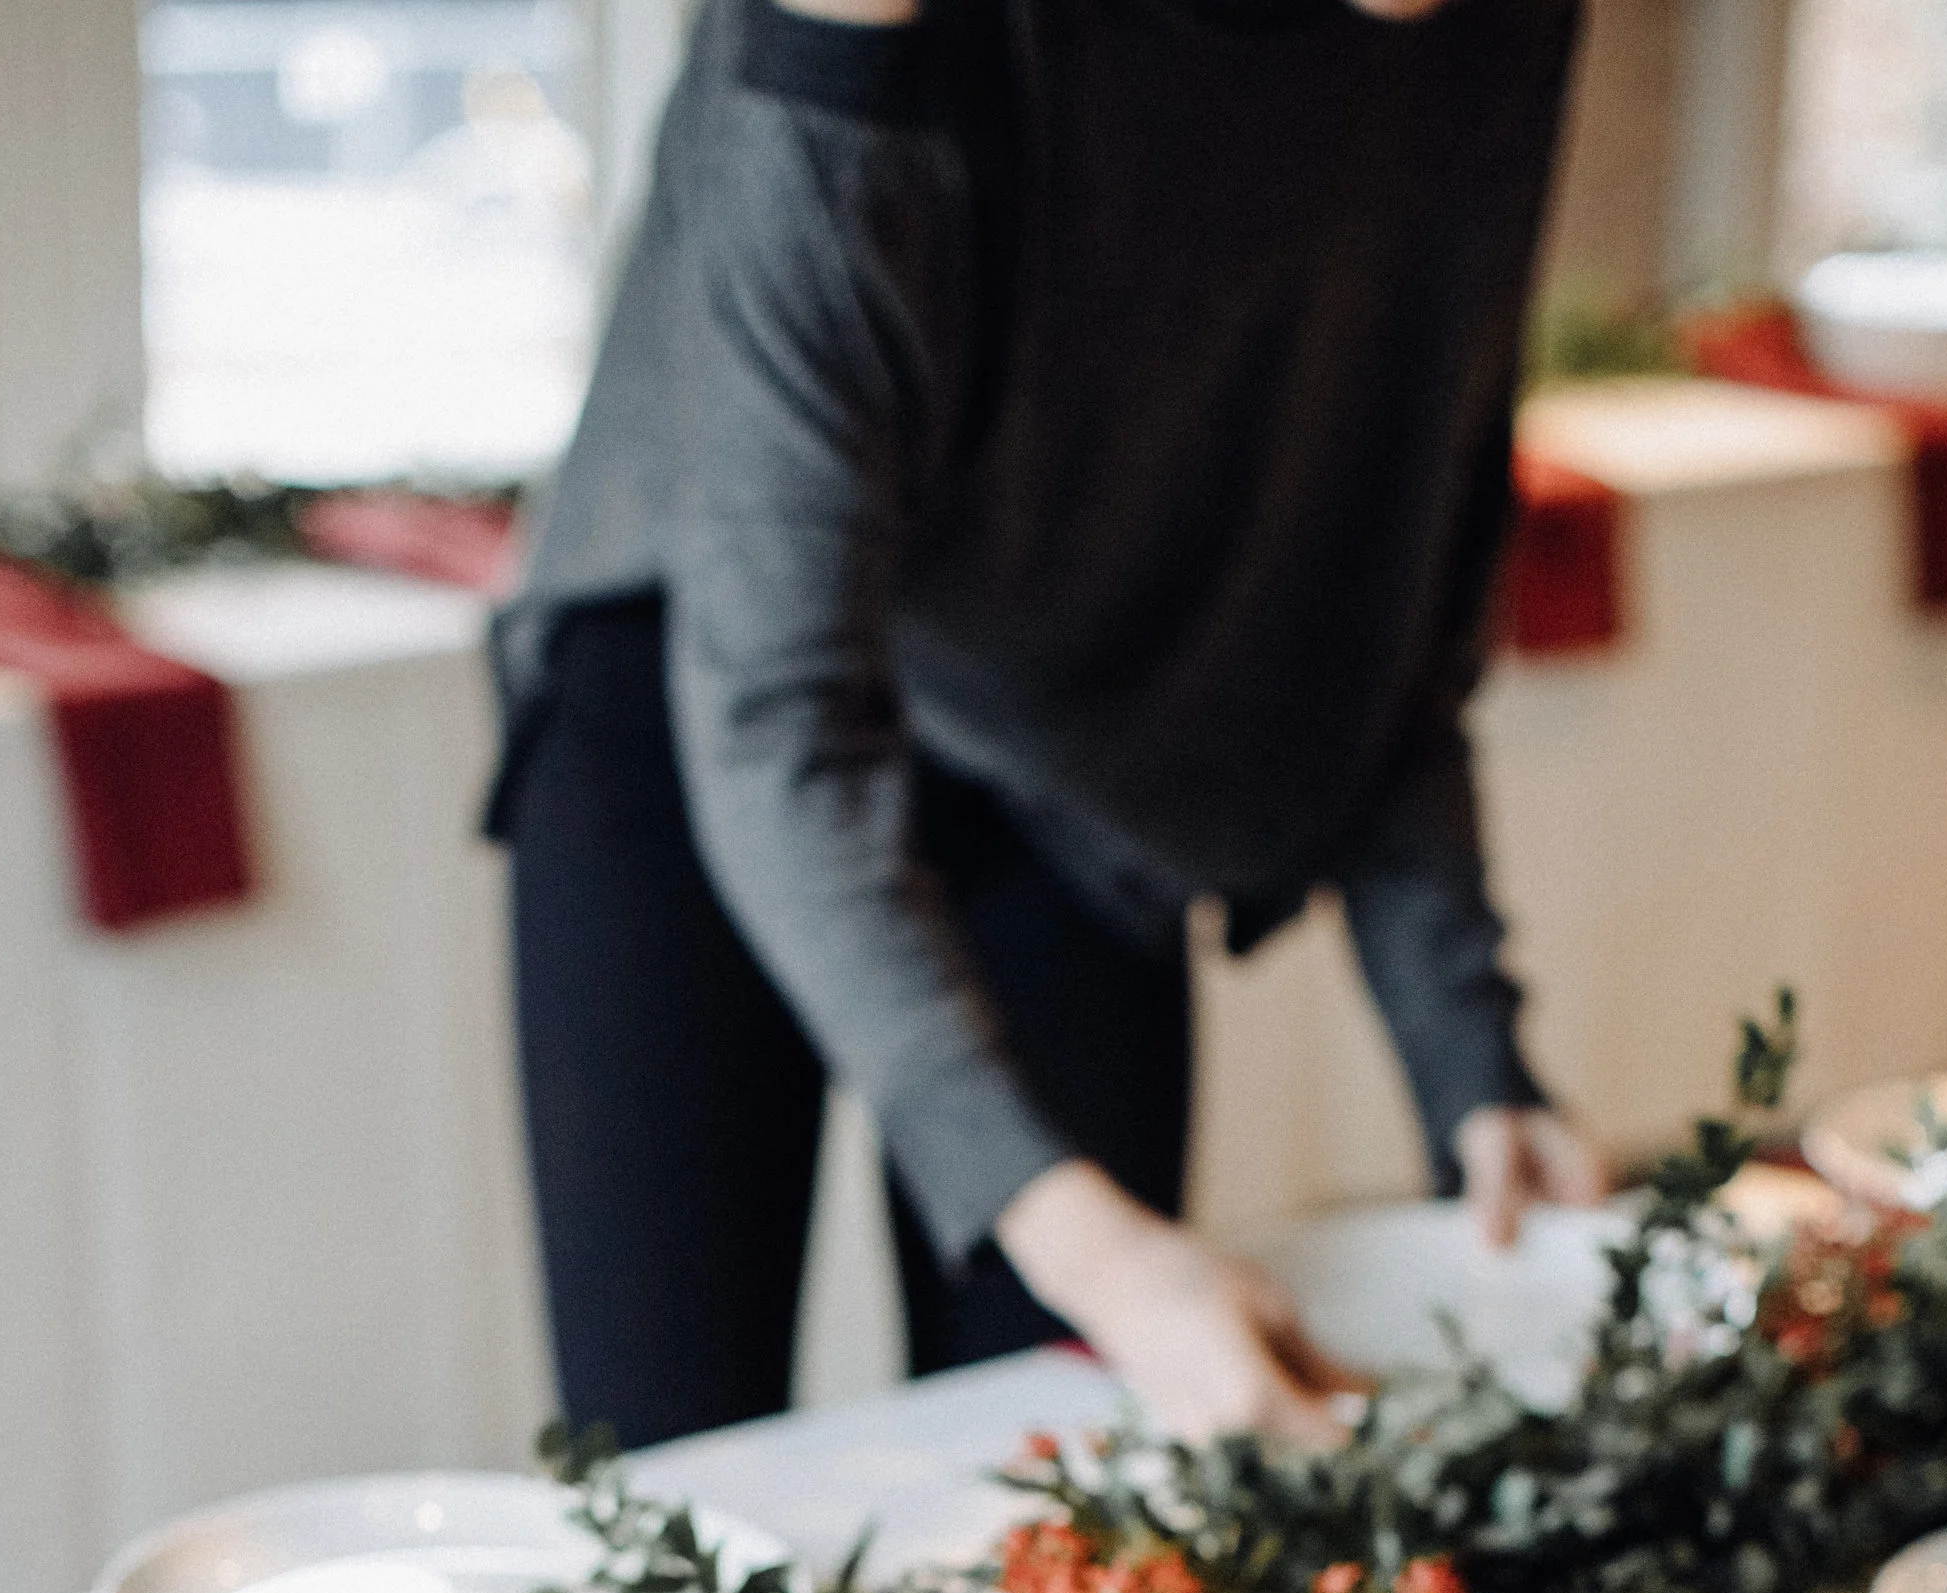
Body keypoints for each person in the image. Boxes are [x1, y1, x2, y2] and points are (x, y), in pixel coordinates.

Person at [489, 0, 1604, 1453]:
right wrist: (1104, 1254)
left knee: (1068, 1464)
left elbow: (1381, 560)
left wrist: (1471, 1053)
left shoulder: (1501, 38)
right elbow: (777, 720)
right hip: (704, 684)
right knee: (679, 1480)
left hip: (1069, 754)